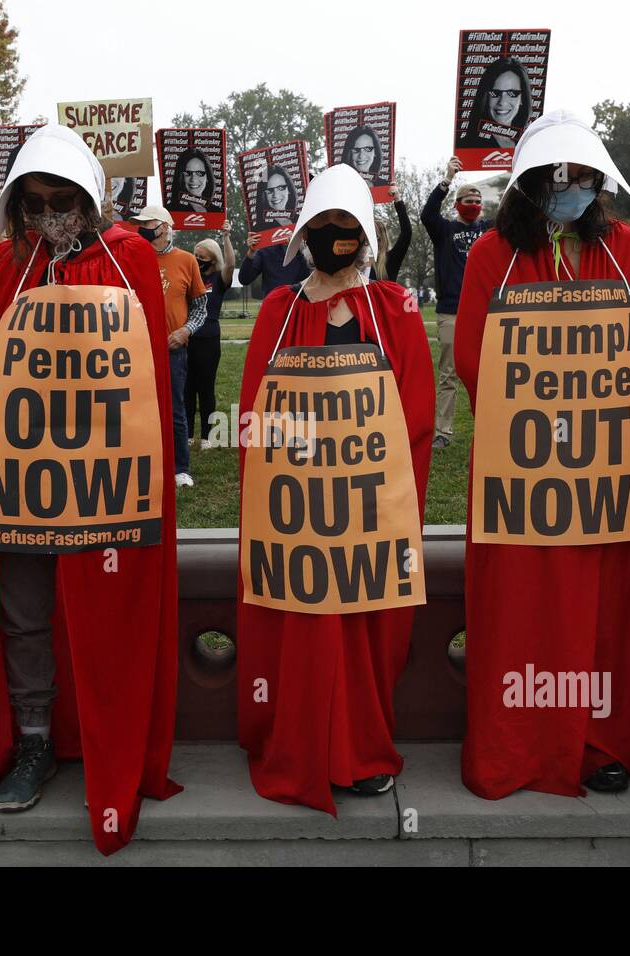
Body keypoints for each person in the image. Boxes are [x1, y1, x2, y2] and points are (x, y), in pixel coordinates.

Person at [0, 125, 180, 855]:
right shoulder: (1, 268)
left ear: (90, 200)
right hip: (23, 480)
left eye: (62, 200)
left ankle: (110, 739)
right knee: (23, 611)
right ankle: (31, 741)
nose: (48, 215)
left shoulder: (132, 259)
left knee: (106, 610)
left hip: (104, 482)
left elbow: (146, 370)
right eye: (33, 203)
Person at [455, 110, 630, 800]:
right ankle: (518, 746)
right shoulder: (493, 255)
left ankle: (599, 744)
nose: (570, 185)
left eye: (583, 176)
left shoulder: (625, 247)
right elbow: (472, 355)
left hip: (603, 471)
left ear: (600, 183)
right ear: (529, 184)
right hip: (525, 473)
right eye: (557, 175)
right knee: (523, 613)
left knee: (605, 617)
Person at [236, 163, 434, 810]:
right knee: (304, 631)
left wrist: (380, 491)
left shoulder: (395, 308)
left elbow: (417, 412)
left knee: (363, 631)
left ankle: (361, 748)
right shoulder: (277, 308)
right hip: (299, 514)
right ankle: (299, 743)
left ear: (365, 235)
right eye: (321, 226)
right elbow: (253, 416)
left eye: (344, 225)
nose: (333, 236)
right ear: (302, 234)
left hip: (370, 510)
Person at [131, 203, 207, 488]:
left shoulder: (187, 260)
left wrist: (185, 330)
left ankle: (180, 468)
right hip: (137, 348)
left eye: (148, 224)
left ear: (163, 227)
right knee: (138, 409)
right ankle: (144, 463)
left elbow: (201, 307)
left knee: (175, 409)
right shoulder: (134, 258)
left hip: (174, 350)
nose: (142, 229)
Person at [422, 156, 488, 448]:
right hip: (451, 311)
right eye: (468, 199)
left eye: (478, 199)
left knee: (487, 374)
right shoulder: (444, 231)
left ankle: (490, 428)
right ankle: (443, 432)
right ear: (456, 203)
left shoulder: (489, 230)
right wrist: (448, 178)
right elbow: (427, 214)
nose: (473, 203)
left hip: (486, 313)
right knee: (448, 375)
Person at [187, 224, 235, 449]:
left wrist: (225, 237)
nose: (197, 259)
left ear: (213, 259)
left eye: (202, 257)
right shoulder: (190, 276)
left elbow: (231, 264)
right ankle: (187, 433)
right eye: (195, 256)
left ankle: (207, 436)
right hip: (188, 336)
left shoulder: (219, 278)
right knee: (187, 387)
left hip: (209, 338)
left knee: (206, 387)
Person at [459, 58, 533, 149]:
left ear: (522, 98)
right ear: (485, 98)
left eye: (512, 93)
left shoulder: (529, 145)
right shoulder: (466, 145)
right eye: (495, 93)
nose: (502, 102)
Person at [371, 182, 412, 282]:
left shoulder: (391, 259)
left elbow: (407, 232)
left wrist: (397, 199)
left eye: (377, 237)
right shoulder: (358, 262)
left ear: (382, 239)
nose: (373, 241)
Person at [167, 148, 218, 213]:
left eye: (199, 173)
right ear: (181, 177)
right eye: (188, 173)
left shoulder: (217, 211)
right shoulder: (169, 211)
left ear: (208, 177)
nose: (193, 179)